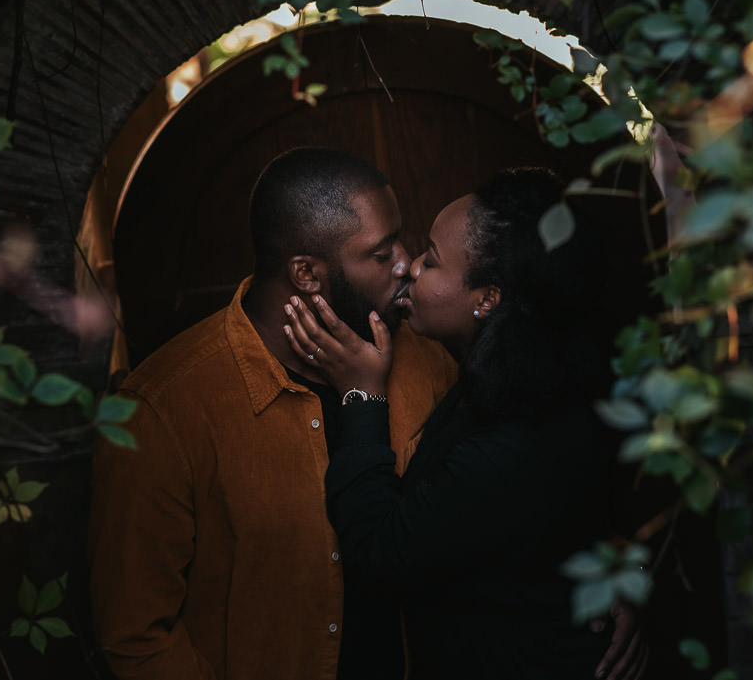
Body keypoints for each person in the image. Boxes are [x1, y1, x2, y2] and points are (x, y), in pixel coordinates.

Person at [87, 147, 458, 680]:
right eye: (381, 252)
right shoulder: (164, 408)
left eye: (400, 239)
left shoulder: (426, 362)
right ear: (306, 273)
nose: (406, 262)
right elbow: (136, 634)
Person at [282, 167, 656, 679]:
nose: (409, 268)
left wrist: (361, 394)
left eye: (431, 260)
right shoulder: (513, 375)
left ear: (487, 299)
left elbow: (379, 553)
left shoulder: (516, 440)